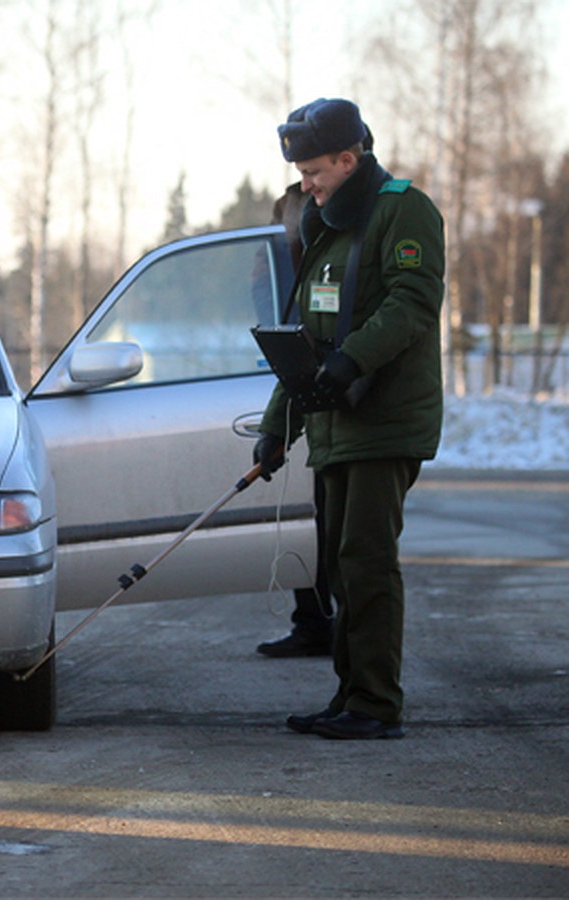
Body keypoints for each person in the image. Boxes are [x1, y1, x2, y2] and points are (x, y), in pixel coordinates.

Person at [254, 98, 445, 739]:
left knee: (365, 559)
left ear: (349, 157)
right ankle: (349, 694)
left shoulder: (402, 209)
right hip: (335, 426)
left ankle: (375, 704)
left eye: (315, 172)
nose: (305, 185)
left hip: (383, 420)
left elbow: (412, 301)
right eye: (302, 174)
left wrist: (352, 360)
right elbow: (307, 336)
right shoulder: (326, 225)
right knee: (338, 564)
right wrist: (279, 426)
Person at [256, 180, 333, 659]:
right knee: (315, 520)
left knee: (337, 529)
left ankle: (343, 640)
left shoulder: (362, 219)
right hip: (293, 360)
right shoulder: (289, 203)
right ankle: (314, 622)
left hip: (333, 376)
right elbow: (260, 285)